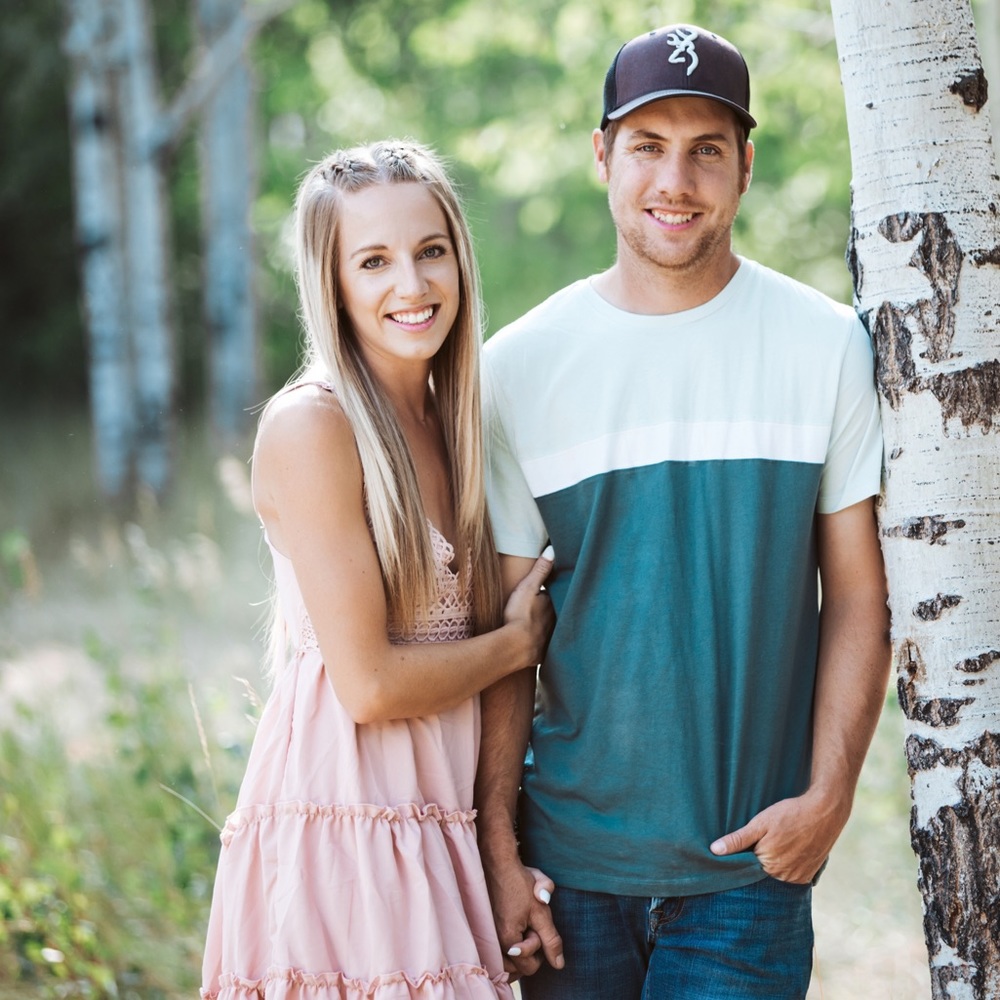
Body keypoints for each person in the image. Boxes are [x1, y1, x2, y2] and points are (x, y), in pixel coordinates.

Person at [475, 23, 892, 999]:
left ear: (745, 165)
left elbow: (858, 597)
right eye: (647, 146)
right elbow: (505, 642)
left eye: (706, 149)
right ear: (602, 156)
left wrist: (829, 798)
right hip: (569, 869)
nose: (676, 180)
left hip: (749, 869)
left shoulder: (826, 344)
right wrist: (498, 848)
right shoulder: (518, 369)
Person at [200, 140, 557, 1000]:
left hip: (440, 820)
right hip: (349, 829)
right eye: (373, 261)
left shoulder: (461, 424)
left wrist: (497, 847)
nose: (412, 284)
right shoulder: (313, 428)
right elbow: (368, 686)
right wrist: (515, 648)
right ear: (331, 283)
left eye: (431, 251)